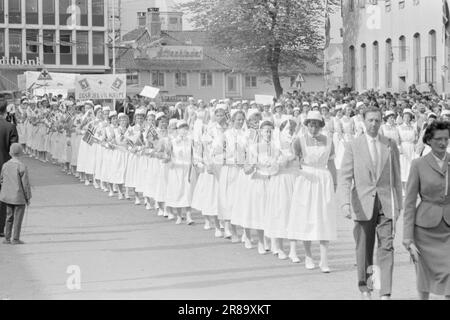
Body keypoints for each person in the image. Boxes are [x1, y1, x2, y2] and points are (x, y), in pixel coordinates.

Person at [338, 106, 403, 300]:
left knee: (387, 248)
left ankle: (385, 293)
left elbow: (397, 178)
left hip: (386, 205)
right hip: (363, 204)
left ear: (381, 121)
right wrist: (344, 203)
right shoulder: (353, 146)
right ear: (363, 121)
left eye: (377, 120)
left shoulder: (390, 145)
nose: (374, 124)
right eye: (370, 120)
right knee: (364, 249)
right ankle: (366, 288)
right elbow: (344, 177)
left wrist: (398, 204)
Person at [403, 121, 450, 300]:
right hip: (424, 231)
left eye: (446, 138)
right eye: (438, 139)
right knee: (423, 276)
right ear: (429, 140)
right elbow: (409, 202)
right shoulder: (418, 164)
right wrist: (407, 236)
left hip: (448, 229)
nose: (443, 143)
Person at [288, 111, 337, 271]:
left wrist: (334, 183)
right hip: (306, 179)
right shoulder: (299, 141)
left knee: (324, 217)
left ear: (321, 125)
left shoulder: (329, 141)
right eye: (310, 124)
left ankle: (324, 260)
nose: (313, 127)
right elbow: (293, 162)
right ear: (307, 125)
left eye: (316, 124)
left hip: (323, 179)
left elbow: (331, 164)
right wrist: (298, 175)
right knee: (306, 216)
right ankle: (308, 256)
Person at [0, 143, 32, 245]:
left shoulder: (5, 165)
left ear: (10, 153)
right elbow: (25, 184)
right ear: (21, 154)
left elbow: (1, 180)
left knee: (9, 217)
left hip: (7, 197)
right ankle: (16, 239)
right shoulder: (22, 166)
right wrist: (28, 197)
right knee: (18, 219)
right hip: (19, 197)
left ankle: (7, 238)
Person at [0, 101, 19, 238]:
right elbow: (14, 150)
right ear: (5, 111)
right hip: (4, 166)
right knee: (3, 197)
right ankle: (1, 228)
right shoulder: (10, 127)